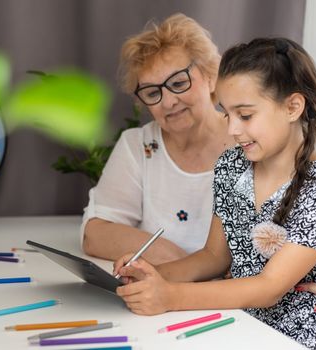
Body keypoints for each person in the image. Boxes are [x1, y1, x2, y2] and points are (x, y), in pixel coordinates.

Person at [114, 37, 316, 349]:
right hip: (234, 321)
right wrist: (151, 275)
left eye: (245, 115)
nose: (232, 130)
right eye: (226, 114)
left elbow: (269, 288)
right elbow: (214, 256)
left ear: (293, 107)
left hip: (297, 337)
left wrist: (170, 296)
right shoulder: (231, 165)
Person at [81, 13, 235, 264]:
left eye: (178, 82)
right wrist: (183, 265)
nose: (168, 101)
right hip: (161, 293)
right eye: (153, 92)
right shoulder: (137, 146)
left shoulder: (250, 141)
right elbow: (95, 235)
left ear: (210, 76)